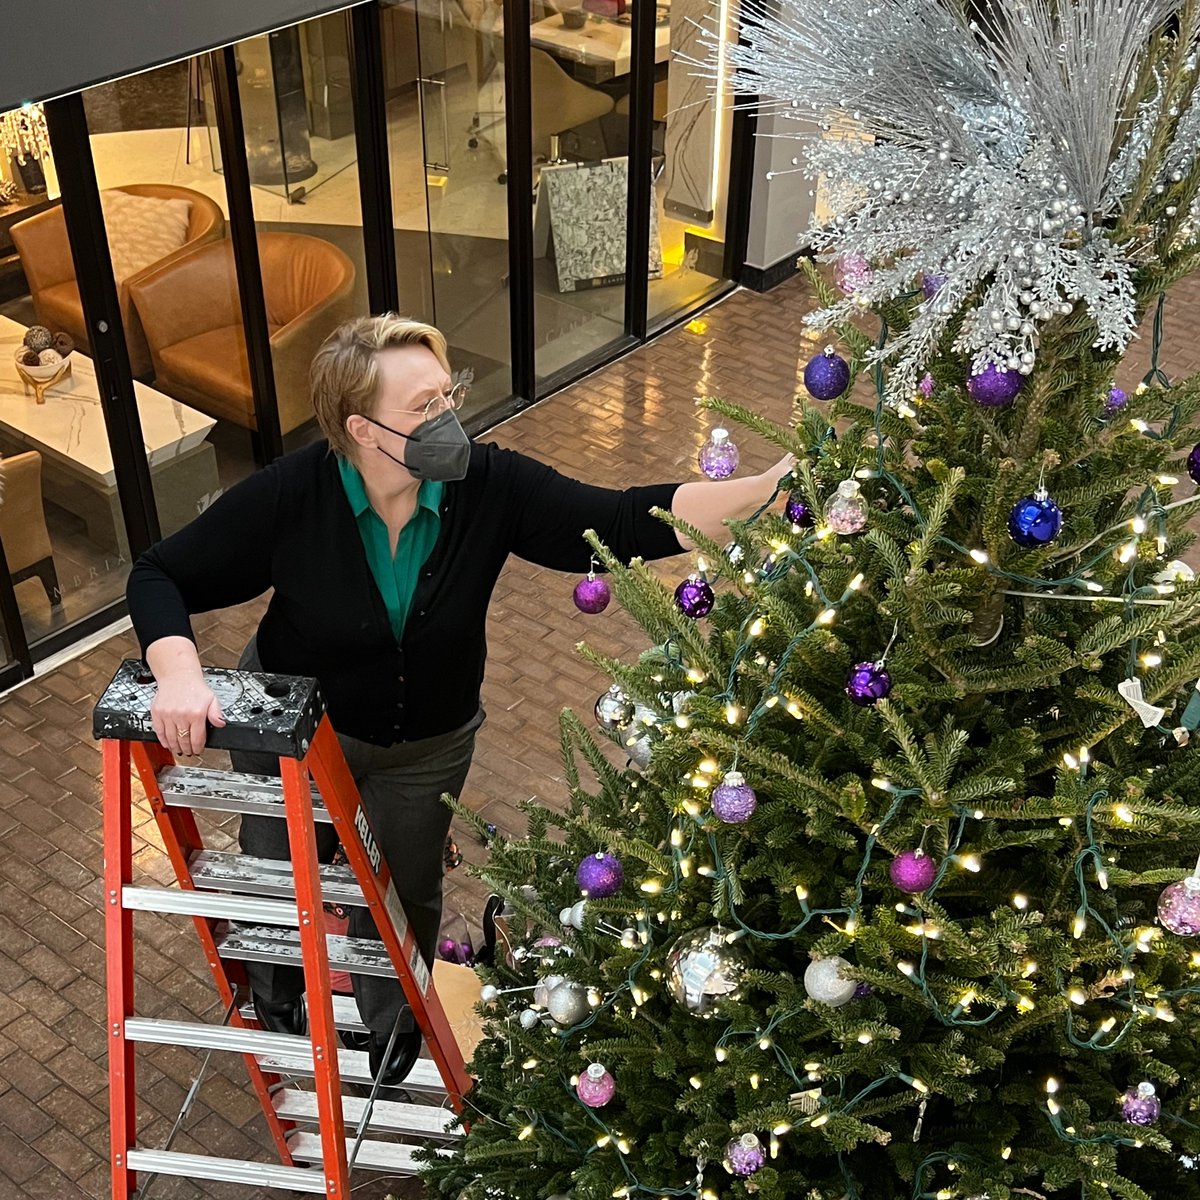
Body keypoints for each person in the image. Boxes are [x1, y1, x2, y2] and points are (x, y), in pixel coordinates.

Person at [126, 314, 793, 1088]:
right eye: (423, 406)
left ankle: (392, 1023)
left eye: (449, 395)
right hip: (301, 737)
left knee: (404, 889)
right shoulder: (291, 497)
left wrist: (763, 492)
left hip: (426, 744)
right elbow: (158, 574)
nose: (448, 419)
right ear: (361, 427)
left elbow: (616, 518)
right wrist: (178, 673)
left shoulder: (486, 484)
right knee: (286, 873)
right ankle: (278, 1001)